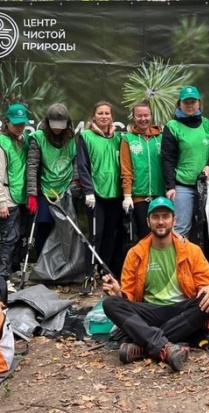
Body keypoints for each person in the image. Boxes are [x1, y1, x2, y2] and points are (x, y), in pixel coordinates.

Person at [101, 197, 209, 372]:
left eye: (165, 216)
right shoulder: (135, 253)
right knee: (110, 303)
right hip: (149, 312)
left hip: (180, 312)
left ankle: (143, 346)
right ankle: (164, 345)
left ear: (174, 220)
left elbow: (206, 286)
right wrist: (118, 293)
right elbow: (129, 297)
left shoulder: (192, 251)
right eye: (156, 217)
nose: (161, 221)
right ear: (148, 221)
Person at [76, 101, 124, 293]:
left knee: (111, 236)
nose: (104, 116)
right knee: (95, 235)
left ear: (111, 116)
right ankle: (89, 275)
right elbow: (83, 166)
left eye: (107, 113)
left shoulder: (119, 138)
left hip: (116, 195)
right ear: (94, 116)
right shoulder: (85, 137)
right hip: (96, 195)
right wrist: (88, 191)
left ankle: (105, 271)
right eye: (100, 113)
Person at [162, 85, 209, 237]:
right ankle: (178, 261)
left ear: (199, 103)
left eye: (193, 101)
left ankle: (203, 261)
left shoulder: (207, 124)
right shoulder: (173, 126)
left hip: (206, 185)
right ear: (179, 104)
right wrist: (170, 186)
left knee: (208, 229)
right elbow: (167, 158)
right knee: (181, 228)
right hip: (182, 186)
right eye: (186, 102)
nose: (190, 105)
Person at [0, 103, 32, 293]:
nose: (20, 127)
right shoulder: (0, 143)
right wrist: (0, 202)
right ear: (6, 122)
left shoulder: (25, 140)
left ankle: (14, 271)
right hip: (8, 198)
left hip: (22, 196)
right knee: (9, 238)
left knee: (20, 236)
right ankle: (3, 277)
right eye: (15, 124)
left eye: (22, 123)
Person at [26, 103, 77, 256]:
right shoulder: (38, 138)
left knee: (63, 230)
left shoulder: (72, 138)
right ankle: (43, 266)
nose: (57, 129)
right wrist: (32, 194)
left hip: (66, 190)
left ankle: (61, 266)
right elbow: (32, 166)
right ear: (47, 122)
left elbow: (75, 162)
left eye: (61, 125)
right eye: (54, 125)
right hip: (45, 191)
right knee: (44, 228)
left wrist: (75, 186)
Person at [120, 101, 164, 240]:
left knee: (161, 234)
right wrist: (127, 195)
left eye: (146, 115)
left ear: (151, 116)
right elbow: (126, 168)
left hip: (160, 195)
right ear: (133, 117)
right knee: (145, 236)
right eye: (139, 116)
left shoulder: (161, 137)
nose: (143, 119)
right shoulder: (128, 139)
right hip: (139, 196)